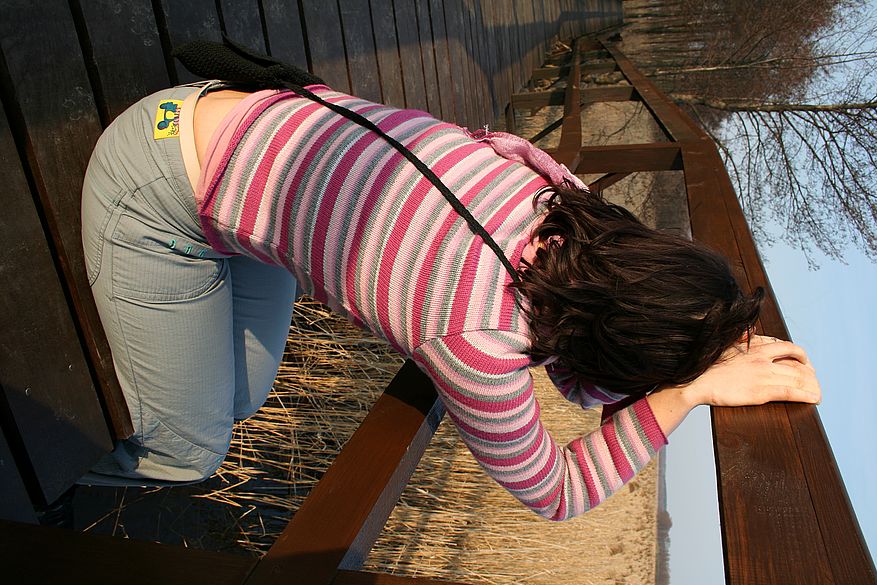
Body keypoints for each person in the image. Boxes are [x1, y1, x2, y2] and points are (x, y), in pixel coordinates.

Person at [80, 57, 820, 520]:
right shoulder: (477, 343)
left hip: (234, 113)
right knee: (192, 451)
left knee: (242, 395)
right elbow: (559, 493)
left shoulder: (556, 192)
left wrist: (695, 336)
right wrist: (686, 392)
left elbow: (575, 377)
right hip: (155, 187)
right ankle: (65, 496)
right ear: (616, 353)